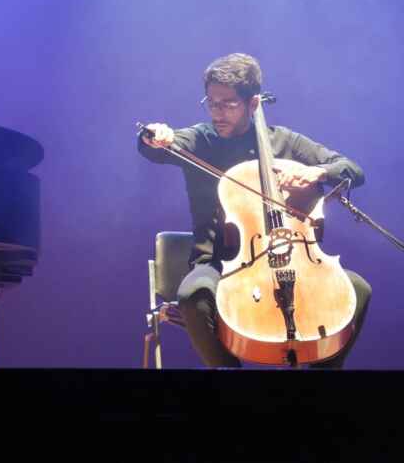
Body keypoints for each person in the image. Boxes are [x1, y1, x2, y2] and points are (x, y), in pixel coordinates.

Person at [138, 53, 371, 368]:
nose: (217, 113)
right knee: (193, 295)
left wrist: (317, 173)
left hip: (293, 260)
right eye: (211, 103)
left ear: (253, 104)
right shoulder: (200, 140)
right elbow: (153, 148)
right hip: (221, 264)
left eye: (228, 104)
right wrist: (153, 136)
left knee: (358, 289)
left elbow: (352, 170)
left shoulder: (285, 142)